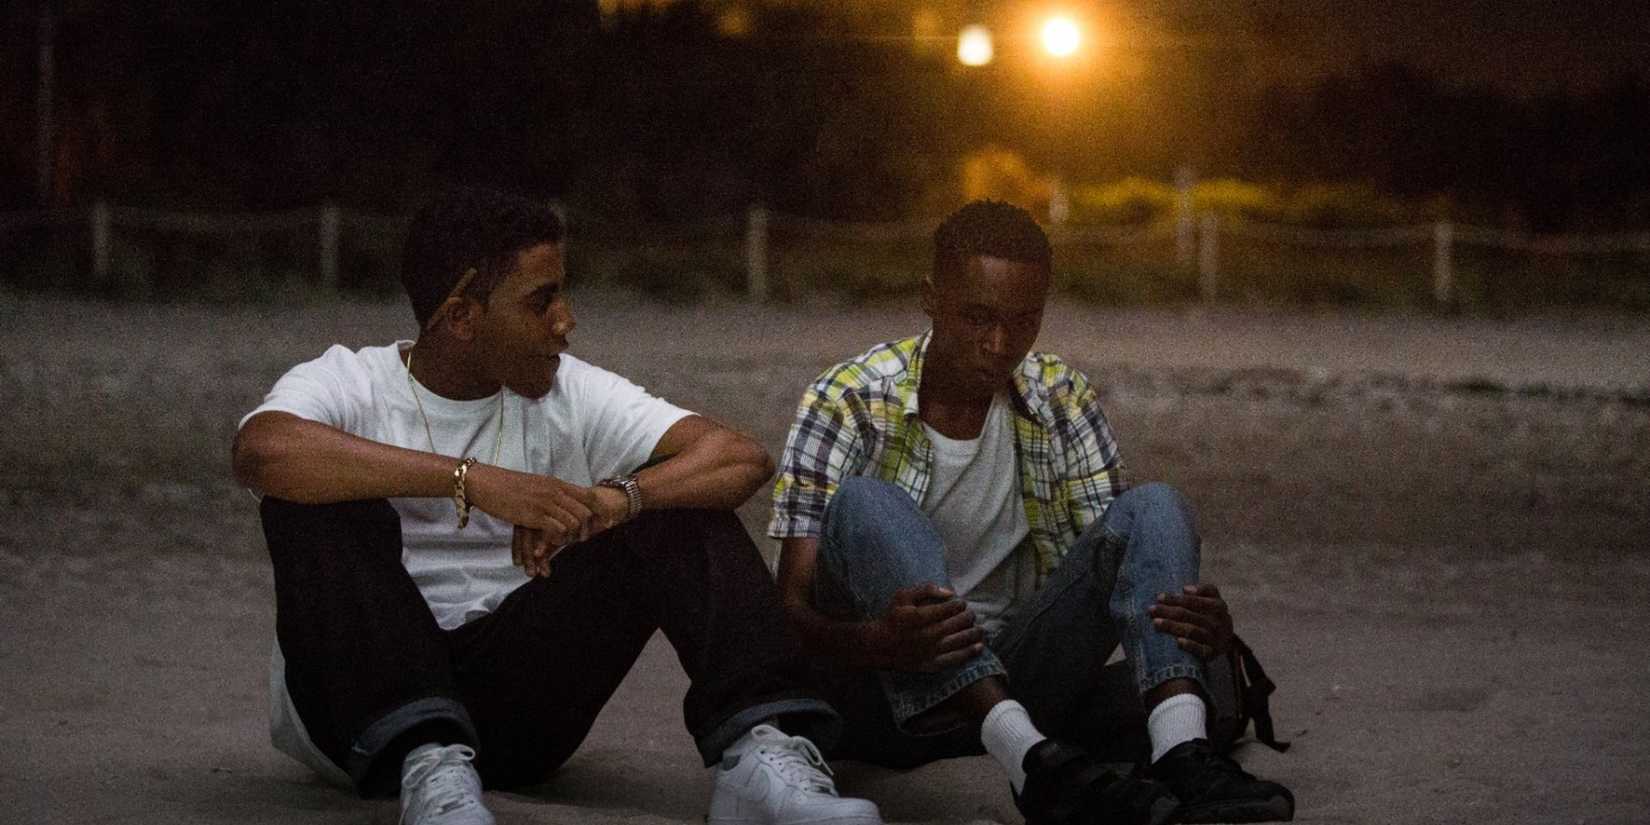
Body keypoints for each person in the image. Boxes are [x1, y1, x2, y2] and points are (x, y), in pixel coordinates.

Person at [232, 186, 882, 825]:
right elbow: (263, 451)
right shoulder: (351, 381)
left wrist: (616, 501)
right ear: (461, 317)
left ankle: (758, 755)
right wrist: (474, 480)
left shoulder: (568, 393)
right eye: (541, 300)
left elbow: (740, 457)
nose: (566, 319)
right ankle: (426, 769)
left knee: (676, 499)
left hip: (513, 711)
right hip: (359, 715)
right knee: (309, 495)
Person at [768, 200, 1295, 825]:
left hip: (1016, 676)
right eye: (978, 317)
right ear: (931, 299)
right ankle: (1031, 759)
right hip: (882, 689)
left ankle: (1181, 752)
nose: (1000, 344)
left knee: (1155, 506)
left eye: (1024, 321)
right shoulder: (848, 398)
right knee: (867, 501)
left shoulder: (1059, 395)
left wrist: (1189, 620)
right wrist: (872, 640)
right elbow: (787, 613)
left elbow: (1124, 563)